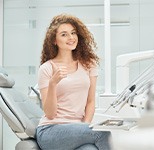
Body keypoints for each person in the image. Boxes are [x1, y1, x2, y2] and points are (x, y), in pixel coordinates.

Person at [35, 13, 112, 150]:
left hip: (78, 129)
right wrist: (53, 83)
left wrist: (85, 126)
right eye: (64, 34)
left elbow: (90, 101)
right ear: (54, 40)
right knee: (102, 132)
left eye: (73, 33)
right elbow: (50, 114)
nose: (71, 38)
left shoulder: (88, 64)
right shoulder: (46, 69)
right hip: (51, 131)